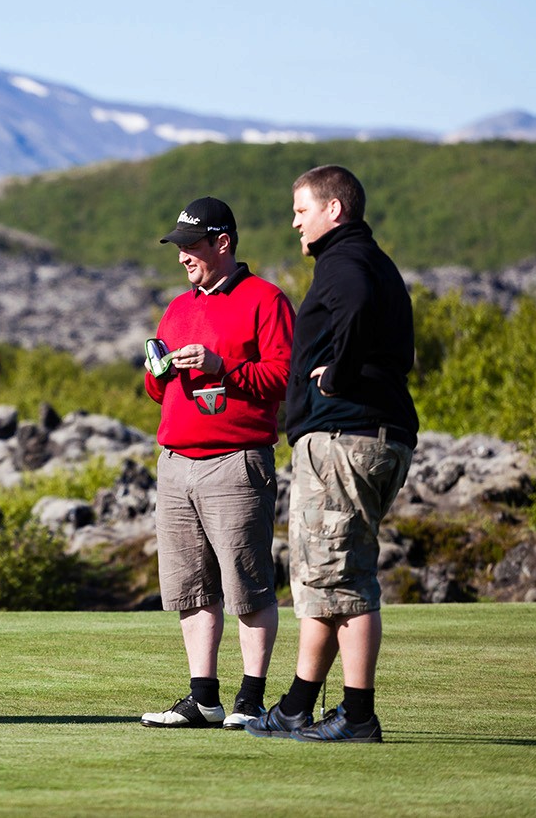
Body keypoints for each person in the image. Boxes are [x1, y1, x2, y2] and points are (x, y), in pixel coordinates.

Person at [246, 165, 417, 744]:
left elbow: (359, 306)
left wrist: (336, 376)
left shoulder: (347, 266)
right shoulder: (369, 260)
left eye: (301, 210)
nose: (294, 221)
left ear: (333, 211)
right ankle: (296, 707)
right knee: (325, 577)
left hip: (346, 439)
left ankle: (358, 714)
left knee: (345, 581)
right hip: (375, 436)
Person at [139, 197, 293, 730]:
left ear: (222, 243)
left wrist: (222, 366)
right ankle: (203, 698)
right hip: (176, 461)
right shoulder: (179, 308)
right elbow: (157, 392)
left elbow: (283, 377)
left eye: (190, 245)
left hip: (237, 461)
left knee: (247, 586)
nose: (182, 256)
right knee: (191, 588)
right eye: (178, 246)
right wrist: (157, 370)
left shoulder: (266, 300)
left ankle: (251, 699)